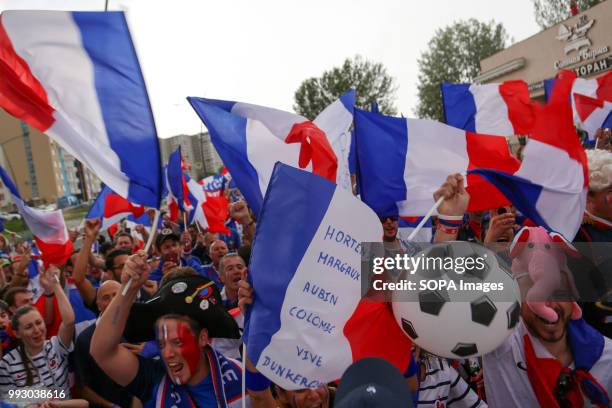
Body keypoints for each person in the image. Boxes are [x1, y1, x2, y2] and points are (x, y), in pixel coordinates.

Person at [433, 173, 612, 407]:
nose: (549, 306)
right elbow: (439, 304)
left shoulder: (607, 357)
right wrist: (449, 222)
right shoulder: (501, 343)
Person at [90, 251, 253, 407]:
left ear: (202, 338)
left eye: (177, 341)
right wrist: (129, 288)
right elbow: (102, 351)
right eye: (161, 344)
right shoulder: (154, 380)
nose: (167, 353)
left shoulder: (241, 376)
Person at [0, 266, 83, 406]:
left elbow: (68, 321)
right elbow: (7, 400)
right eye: (28, 327)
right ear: (17, 333)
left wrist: (55, 284)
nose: (37, 330)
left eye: (39, 323)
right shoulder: (7, 364)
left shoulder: (55, 346)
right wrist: (38, 401)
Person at [75, 280, 137, 407]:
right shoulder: (85, 340)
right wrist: (111, 406)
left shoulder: (138, 330)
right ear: (98, 305)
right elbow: (83, 388)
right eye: (106, 298)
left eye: (116, 295)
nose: (112, 301)